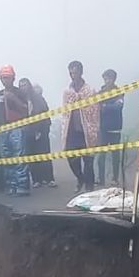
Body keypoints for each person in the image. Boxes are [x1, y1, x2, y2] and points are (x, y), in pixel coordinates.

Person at [62, 60, 100, 191]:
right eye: (71, 72)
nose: (73, 74)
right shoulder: (67, 92)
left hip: (87, 131)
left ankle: (89, 187)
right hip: (72, 131)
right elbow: (65, 113)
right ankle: (80, 178)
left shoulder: (90, 90)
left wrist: (94, 129)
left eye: (76, 71)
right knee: (72, 159)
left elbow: (95, 111)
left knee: (88, 161)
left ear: (81, 72)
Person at [0, 65, 31, 196]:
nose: (5, 80)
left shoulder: (20, 93)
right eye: (3, 78)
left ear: (13, 78)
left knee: (19, 156)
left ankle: (22, 185)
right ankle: (12, 184)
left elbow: (26, 108)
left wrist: (13, 99)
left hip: (18, 126)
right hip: (4, 128)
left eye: (7, 77)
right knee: (6, 156)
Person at [19, 78, 55, 187]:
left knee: (44, 154)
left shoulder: (38, 98)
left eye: (25, 85)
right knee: (31, 156)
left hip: (41, 129)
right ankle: (36, 180)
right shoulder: (21, 100)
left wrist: (40, 130)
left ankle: (49, 179)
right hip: (28, 131)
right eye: (21, 86)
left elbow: (44, 114)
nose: (23, 88)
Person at [97, 69, 125, 186]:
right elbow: (97, 107)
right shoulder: (101, 92)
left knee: (115, 155)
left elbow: (118, 106)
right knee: (101, 156)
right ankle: (101, 179)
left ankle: (115, 178)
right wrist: (106, 106)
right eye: (105, 78)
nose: (107, 81)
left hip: (115, 128)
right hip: (103, 128)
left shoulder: (119, 91)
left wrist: (105, 106)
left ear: (114, 79)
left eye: (109, 78)